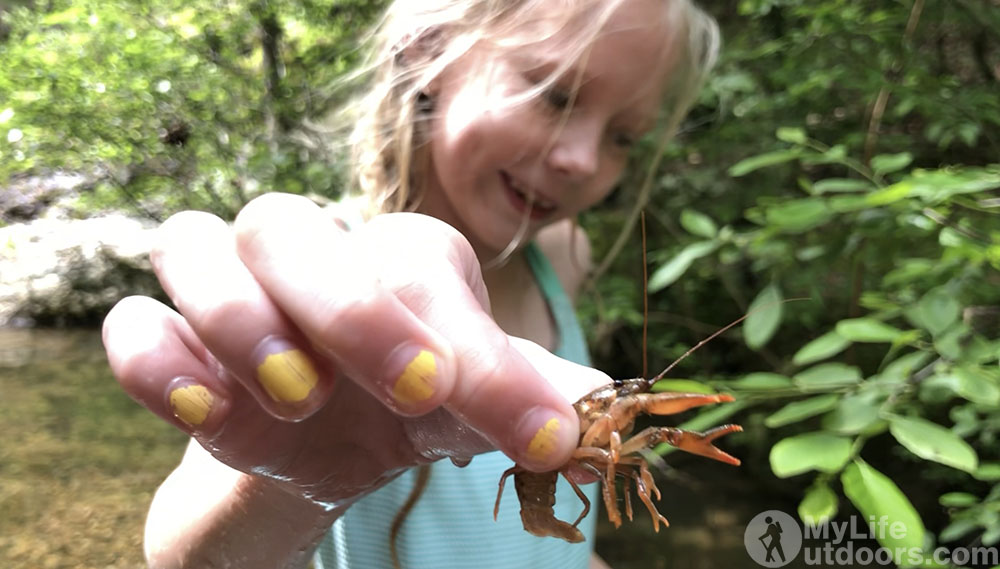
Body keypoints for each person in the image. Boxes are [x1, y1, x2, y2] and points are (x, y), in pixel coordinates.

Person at [101, 0, 719, 567]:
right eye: (555, 95)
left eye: (623, 138)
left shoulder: (564, 257)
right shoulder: (319, 283)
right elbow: (181, 557)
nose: (584, 159)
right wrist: (284, 478)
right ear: (427, 48)